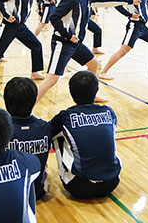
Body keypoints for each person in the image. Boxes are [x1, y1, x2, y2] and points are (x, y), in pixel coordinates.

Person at [36, 0, 138, 102]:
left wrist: (129, 1)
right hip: (63, 42)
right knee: (52, 79)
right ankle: (25, 110)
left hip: (76, 44)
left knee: (93, 64)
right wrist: (67, 35)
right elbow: (54, 17)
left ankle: (92, 95)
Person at [50, 71, 121, 199]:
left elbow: (47, 132)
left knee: (58, 137)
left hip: (78, 187)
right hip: (112, 183)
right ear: (96, 91)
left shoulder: (65, 116)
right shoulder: (108, 111)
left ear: (71, 92)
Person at [4, 77, 51, 200]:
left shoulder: (1, 130)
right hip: (38, 191)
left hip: (9, 193)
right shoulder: (45, 127)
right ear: (34, 100)